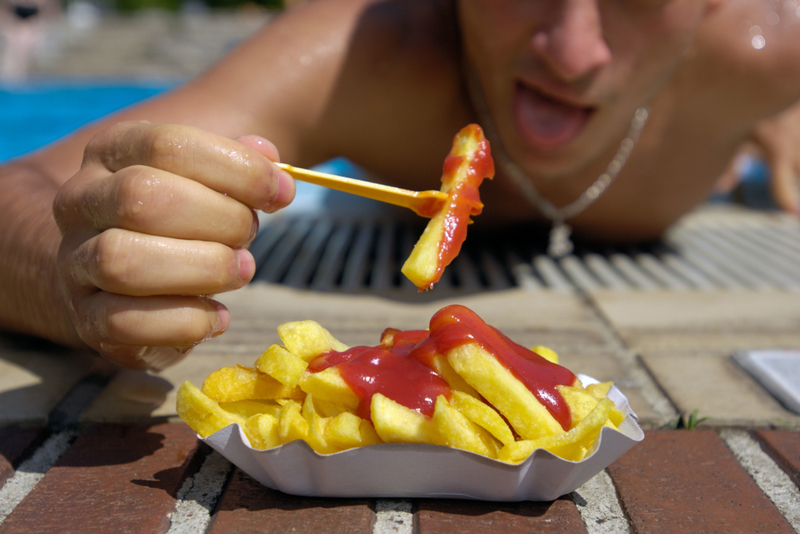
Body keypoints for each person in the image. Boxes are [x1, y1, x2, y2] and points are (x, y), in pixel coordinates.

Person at [0, 0, 798, 370]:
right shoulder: (363, 54)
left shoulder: (766, 56)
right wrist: (76, 275)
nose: (573, 52)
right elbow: (27, 186)